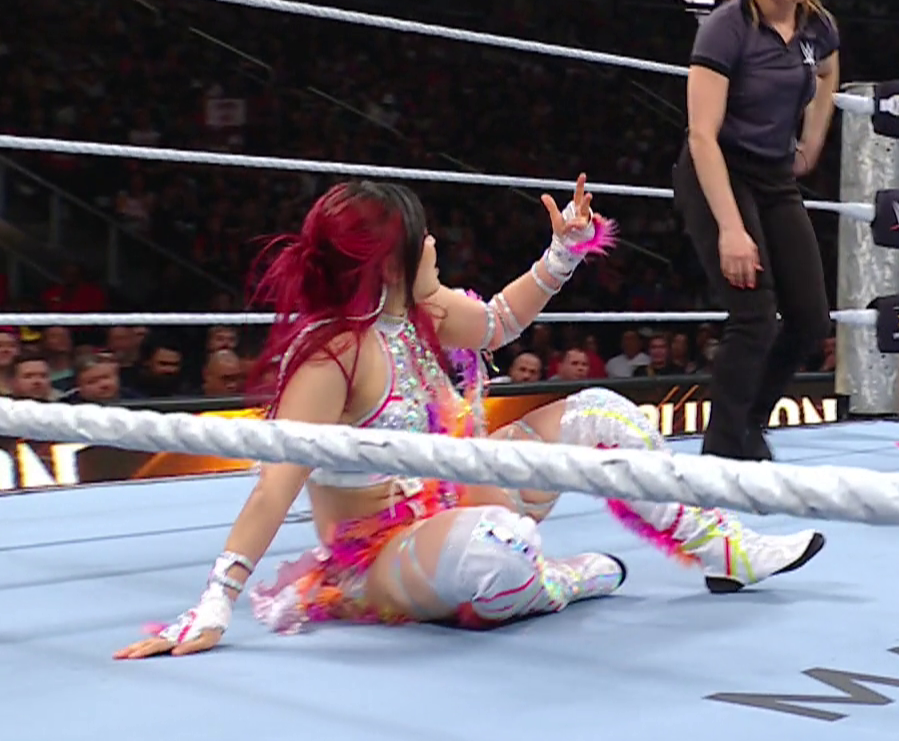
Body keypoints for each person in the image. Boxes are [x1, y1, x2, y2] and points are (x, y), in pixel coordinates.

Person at [116, 178, 825, 660]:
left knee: (603, 412)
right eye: (422, 238)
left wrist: (563, 252)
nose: (435, 244)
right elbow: (275, 487)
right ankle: (562, 580)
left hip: (461, 494)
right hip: (384, 553)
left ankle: (724, 552)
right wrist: (215, 603)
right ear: (390, 263)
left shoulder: (423, 309)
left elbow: (499, 321)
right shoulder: (332, 357)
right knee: (498, 548)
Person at [672, 0, 839, 462]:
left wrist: (811, 140)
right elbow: (701, 134)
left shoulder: (816, 24)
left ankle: (749, 424)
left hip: (774, 175)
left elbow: (828, 71)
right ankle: (720, 454)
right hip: (718, 168)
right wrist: (731, 229)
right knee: (753, 317)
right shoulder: (727, 26)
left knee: (810, 318)